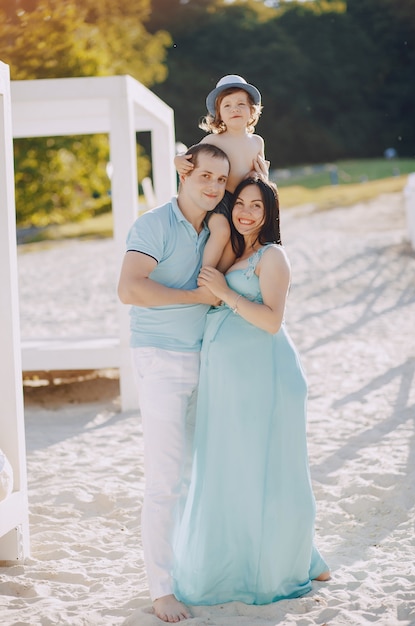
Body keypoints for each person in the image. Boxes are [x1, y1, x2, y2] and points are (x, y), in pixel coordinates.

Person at [173, 177, 330, 607]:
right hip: (231, 384)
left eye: (255, 206)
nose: (245, 212)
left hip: (266, 379)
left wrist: (225, 293)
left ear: (269, 214)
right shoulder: (237, 250)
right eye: (239, 204)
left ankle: (288, 560)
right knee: (234, 471)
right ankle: (294, 556)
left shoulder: (273, 256)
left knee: (268, 473)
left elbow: (271, 321)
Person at [117, 143, 230, 623]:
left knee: (200, 476)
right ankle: (161, 589)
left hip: (208, 359)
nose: (212, 186)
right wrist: (197, 297)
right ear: (185, 174)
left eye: (220, 180)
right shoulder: (153, 224)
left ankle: (194, 571)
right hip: (161, 358)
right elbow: (130, 288)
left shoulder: (218, 225)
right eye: (204, 176)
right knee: (164, 480)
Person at [175, 75, 269, 271]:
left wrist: (260, 179)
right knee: (222, 231)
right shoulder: (213, 141)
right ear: (218, 114)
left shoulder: (257, 142)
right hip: (220, 198)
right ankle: (206, 274)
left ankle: (221, 277)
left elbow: (260, 173)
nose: (234, 109)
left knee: (236, 244)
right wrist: (178, 160)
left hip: (243, 200)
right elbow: (190, 157)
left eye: (241, 104)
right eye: (227, 106)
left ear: (252, 110)